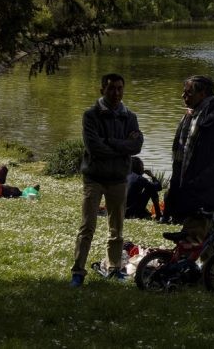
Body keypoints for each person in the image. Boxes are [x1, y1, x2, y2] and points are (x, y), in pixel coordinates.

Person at [70, 73, 142, 287]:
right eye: (111, 88)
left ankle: (114, 268)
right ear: (102, 90)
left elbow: (136, 146)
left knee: (117, 230)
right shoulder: (90, 115)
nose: (116, 93)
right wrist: (121, 146)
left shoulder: (130, 116)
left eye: (120, 88)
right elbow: (95, 148)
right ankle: (78, 272)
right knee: (87, 227)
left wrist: (110, 143)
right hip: (94, 178)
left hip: (119, 179)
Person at [164, 75, 214, 246]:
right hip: (191, 187)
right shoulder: (192, 115)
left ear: (203, 94)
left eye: (188, 93)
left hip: (206, 190)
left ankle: (197, 271)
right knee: (207, 242)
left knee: (192, 239)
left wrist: (199, 182)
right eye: (184, 92)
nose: (183, 96)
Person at [125, 156, 161, 220]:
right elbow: (158, 187)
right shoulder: (140, 179)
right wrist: (152, 176)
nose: (143, 168)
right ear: (138, 167)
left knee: (149, 187)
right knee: (151, 189)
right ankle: (158, 215)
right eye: (142, 166)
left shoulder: (125, 176)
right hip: (131, 212)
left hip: (121, 210)